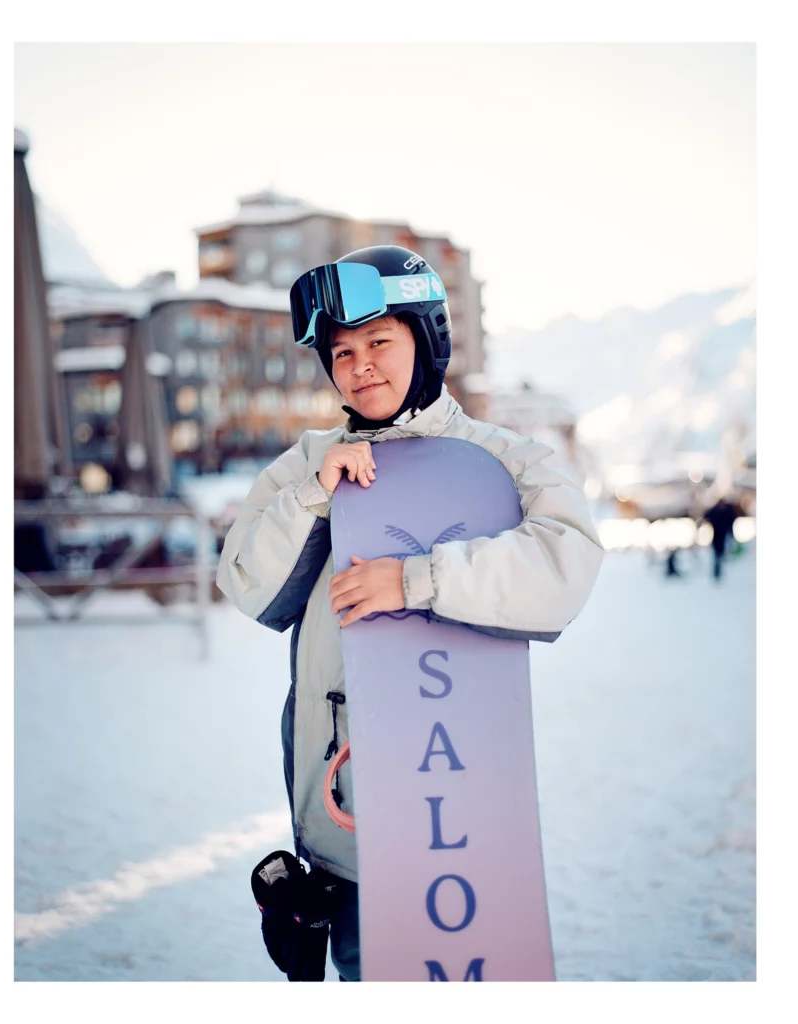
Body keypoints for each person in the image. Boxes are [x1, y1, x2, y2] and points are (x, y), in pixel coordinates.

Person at [216, 245, 605, 981]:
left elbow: (565, 568)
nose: (360, 365)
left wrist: (418, 580)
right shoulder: (306, 463)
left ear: (428, 339)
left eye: (379, 342)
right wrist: (312, 499)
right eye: (341, 351)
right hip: (345, 816)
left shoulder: (504, 459)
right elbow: (246, 584)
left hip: (459, 803)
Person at [703, 493, 740, 581]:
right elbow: (706, 516)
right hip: (716, 536)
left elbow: (731, 522)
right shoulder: (715, 512)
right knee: (717, 554)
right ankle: (716, 572)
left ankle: (719, 572)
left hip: (723, 536)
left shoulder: (726, 512)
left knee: (720, 554)